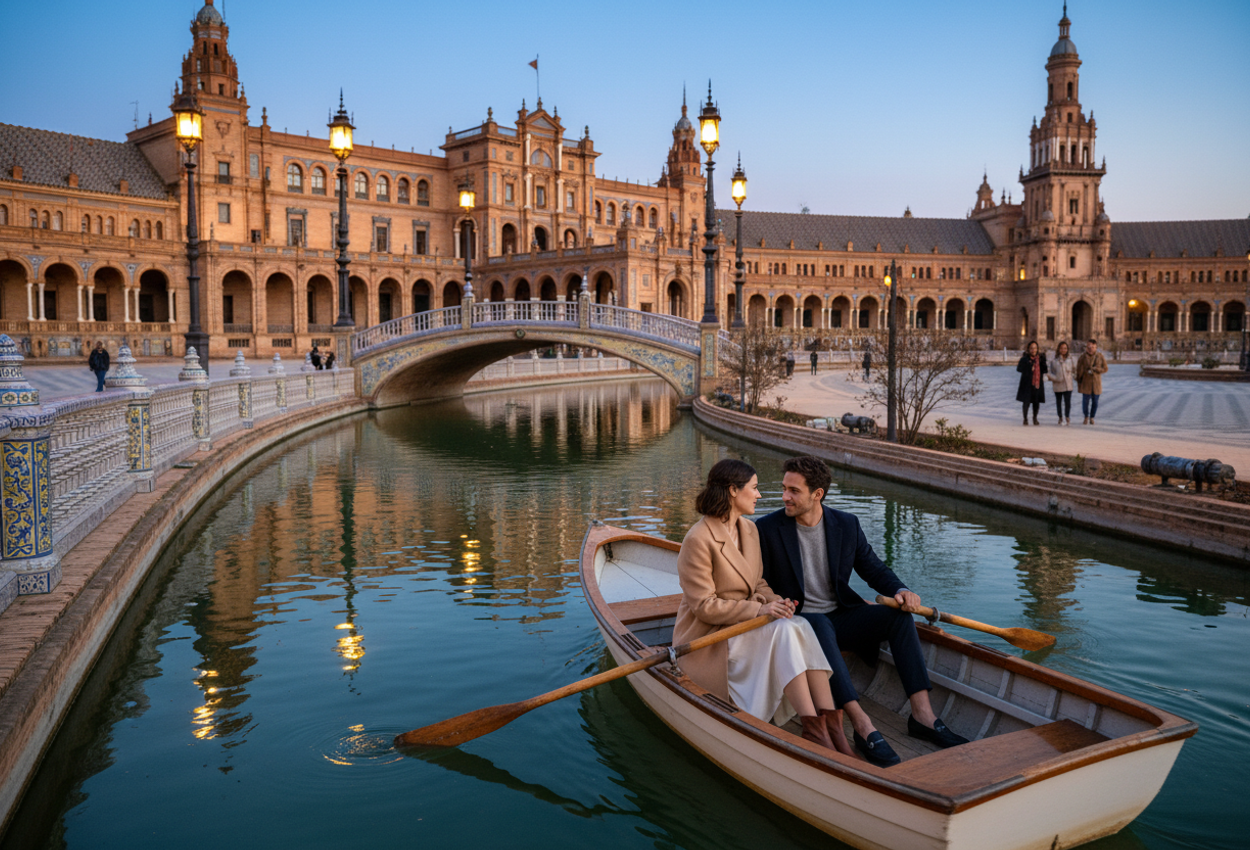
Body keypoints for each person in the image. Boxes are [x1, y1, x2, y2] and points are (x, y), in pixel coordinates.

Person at [757, 456, 969, 767]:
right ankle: (861, 723)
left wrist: (900, 590)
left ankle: (923, 716)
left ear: (818, 494)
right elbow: (756, 580)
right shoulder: (767, 528)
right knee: (817, 624)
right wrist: (770, 601)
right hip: (798, 623)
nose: (785, 496)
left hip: (841, 615)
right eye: (784, 488)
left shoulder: (846, 524)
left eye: (794, 490)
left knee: (898, 616)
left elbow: (873, 568)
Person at [673, 458, 853, 756]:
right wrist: (759, 610)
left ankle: (830, 722)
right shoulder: (698, 539)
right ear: (733, 491)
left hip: (745, 628)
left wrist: (776, 602)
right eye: (754, 488)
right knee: (783, 631)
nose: (759, 495)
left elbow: (757, 584)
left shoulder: (750, 530)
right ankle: (813, 728)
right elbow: (705, 607)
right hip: (710, 640)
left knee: (800, 624)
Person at [1075, 338, 1108, 425]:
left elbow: (1105, 368)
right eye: (1089, 346)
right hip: (1086, 383)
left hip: (1096, 383)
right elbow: (1078, 369)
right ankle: (1086, 416)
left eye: (1092, 347)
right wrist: (1078, 379)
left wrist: (1097, 369)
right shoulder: (1082, 357)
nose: (1090, 348)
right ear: (1086, 347)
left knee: (1095, 402)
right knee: (1085, 402)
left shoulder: (1100, 356)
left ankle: (1092, 417)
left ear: (1096, 347)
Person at [1015, 341, 1048, 426]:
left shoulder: (1040, 358)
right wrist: (1029, 367)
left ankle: (1035, 418)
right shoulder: (1025, 359)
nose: (1033, 350)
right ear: (1029, 349)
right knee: (1026, 402)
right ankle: (1025, 418)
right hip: (1027, 384)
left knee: (1036, 402)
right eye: (1032, 348)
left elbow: (1045, 370)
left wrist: (1043, 362)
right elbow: (1019, 369)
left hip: (1037, 383)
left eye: (1035, 348)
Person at [1047, 340, 1076, 425]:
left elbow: (1074, 370)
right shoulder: (1054, 360)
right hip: (1058, 384)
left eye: (1065, 348)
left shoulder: (1070, 359)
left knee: (1068, 402)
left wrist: (1073, 376)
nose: (1063, 350)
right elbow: (1049, 372)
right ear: (1058, 349)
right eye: (1062, 348)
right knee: (1058, 402)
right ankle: (1060, 417)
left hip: (1068, 384)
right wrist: (1055, 378)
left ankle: (1067, 416)